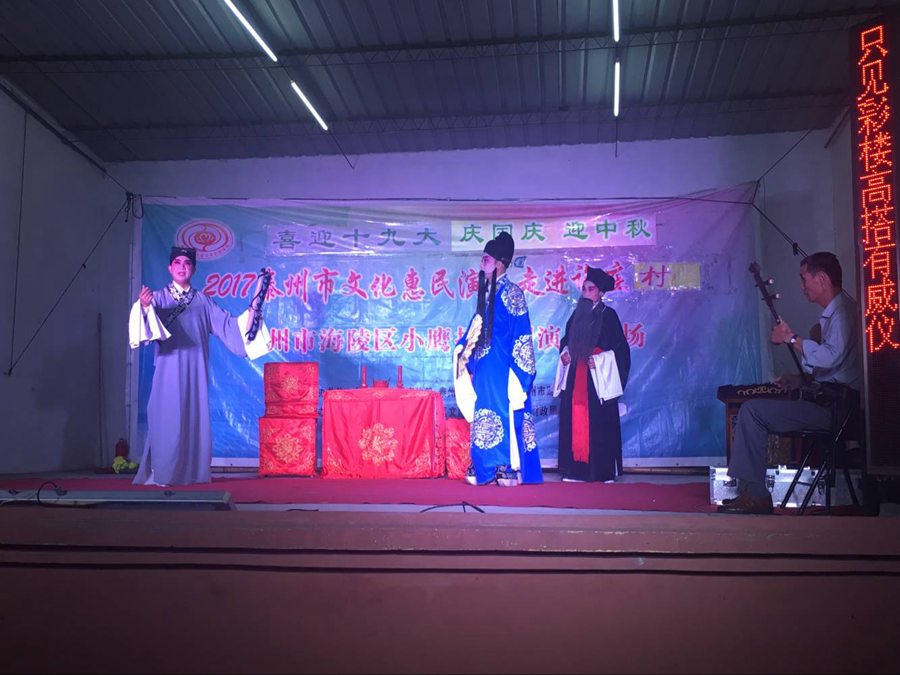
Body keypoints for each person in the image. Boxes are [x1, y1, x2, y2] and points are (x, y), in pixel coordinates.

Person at [719, 252, 861, 514]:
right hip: (830, 403)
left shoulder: (843, 314)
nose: (801, 285)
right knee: (755, 409)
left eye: (804, 278)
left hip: (836, 410)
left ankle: (757, 496)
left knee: (752, 411)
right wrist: (798, 379)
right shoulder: (838, 312)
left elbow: (831, 357)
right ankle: (753, 493)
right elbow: (834, 368)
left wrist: (791, 338)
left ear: (822, 279)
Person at [129, 246, 271, 486]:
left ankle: (191, 472)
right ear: (169, 268)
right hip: (167, 369)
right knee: (165, 417)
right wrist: (143, 307)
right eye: (177, 262)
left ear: (193, 269)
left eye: (187, 263)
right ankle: (162, 472)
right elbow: (145, 332)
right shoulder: (158, 298)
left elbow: (230, 327)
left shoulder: (203, 302)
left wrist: (255, 303)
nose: (182, 267)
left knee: (193, 418)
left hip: (195, 370)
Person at [453, 232, 543, 487]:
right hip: (485, 370)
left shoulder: (512, 293)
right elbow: (474, 330)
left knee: (504, 412)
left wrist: (520, 372)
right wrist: (461, 351)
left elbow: (522, 333)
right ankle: (483, 463)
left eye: (486, 259)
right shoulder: (486, 294)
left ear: (500, 264)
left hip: (504, 368)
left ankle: (505, 465)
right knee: (483, 412)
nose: (481, 264)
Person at [555, 267, 631, 482]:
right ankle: (575, 471)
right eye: (584, 289)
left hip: (598, 379)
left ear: (601, 293)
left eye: (591, 289)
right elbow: (566, 341)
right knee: (573, 419)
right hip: (576, 376)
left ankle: (603, 472)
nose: (586, 293)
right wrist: (565, 352)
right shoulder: (577, 315)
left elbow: (620, 350)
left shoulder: (609, 316)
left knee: (599, 424)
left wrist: (599, 360)